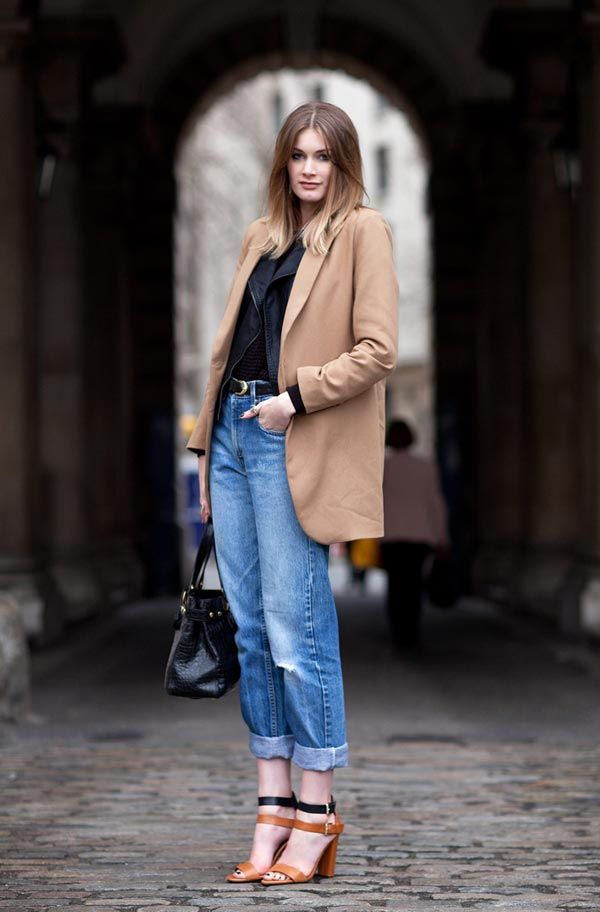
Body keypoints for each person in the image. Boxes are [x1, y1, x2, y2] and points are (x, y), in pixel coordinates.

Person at [186, 102, 399, 886]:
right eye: (299, 156)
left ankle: (317, 810)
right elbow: (225, 350)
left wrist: (297, 399)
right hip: (236, 438)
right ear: (283, 164)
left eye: (325, 157)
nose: (311, 169)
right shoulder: (260, 236)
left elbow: (378, 348)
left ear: (345, 165)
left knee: (293, 627)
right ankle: (271, 802)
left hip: (289, 435)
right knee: (248, 630)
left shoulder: (362, 232)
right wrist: (205, 449)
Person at [381, 419, 449, 648]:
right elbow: (436, 502)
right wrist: (442, 535)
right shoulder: (426, 466)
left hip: (391, 535)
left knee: (395, 586)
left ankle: (397, 631)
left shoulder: (382, 467)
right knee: (413, 585)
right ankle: (412, 631)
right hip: (419, 535)